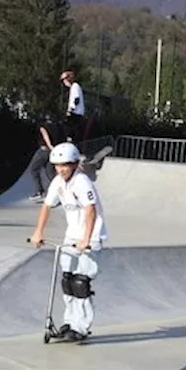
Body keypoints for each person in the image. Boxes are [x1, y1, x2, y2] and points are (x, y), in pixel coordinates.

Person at [28, 142, 109, 342]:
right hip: (71, 235)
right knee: (67, 280)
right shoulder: (58, 182)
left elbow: (90, 211)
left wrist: (86, 239)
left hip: (91, 236)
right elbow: (47, 206)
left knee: (81, 282)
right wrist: (38, 232)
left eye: (64, 165)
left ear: (73, 164)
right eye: (57, 165)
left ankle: (81, 327)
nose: (60, 169)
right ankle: (69, 322)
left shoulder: (82, 182)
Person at [30, 112, 71, 202]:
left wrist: (50, 146)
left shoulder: (43, 126)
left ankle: (39, 191)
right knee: (51, 174)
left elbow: (45, 136)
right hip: (54, 152)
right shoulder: (59, 126)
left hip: (44, 150)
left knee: (33, 170)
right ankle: (62, 193)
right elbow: (64, 138)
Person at [60, 71, 87, 143]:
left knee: (70, 131)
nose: (64, 83)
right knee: (73, 132)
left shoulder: (75, 86)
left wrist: (70, 111)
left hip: (75, 114)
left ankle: (71, 143)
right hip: (76, 114)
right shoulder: (74, 87)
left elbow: (76, 100)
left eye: (64, 80)